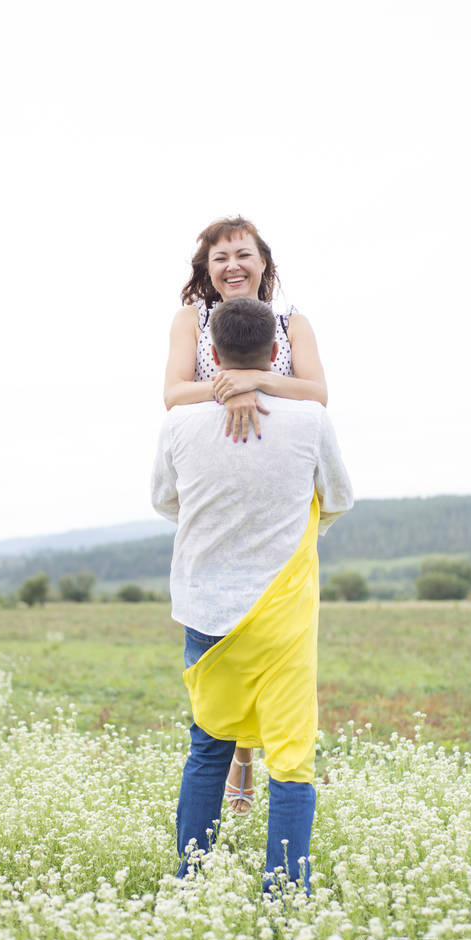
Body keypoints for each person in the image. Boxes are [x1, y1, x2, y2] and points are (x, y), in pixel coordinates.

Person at [152, 297, 353, 893]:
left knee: (208, 744)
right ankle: (286, 892)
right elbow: (337, 496)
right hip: (282, 612)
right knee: (290, 755)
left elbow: (166, 501)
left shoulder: (178, 423)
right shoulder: (311, 419)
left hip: (204, 605)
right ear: (274, 355)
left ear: (210, 356)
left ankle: (191, 880)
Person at [163, 215, 329, 814]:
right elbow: (173, 392)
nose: (231, 265)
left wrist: (245, 379)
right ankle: (243, 768)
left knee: (265, 642)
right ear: (205, 272)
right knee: (234, 641)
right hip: (220, 488)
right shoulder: (193, 322)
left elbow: (316, 391)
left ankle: (245, 768)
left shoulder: (292, 324)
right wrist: (224, 390)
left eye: (243, 254)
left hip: (275, 495)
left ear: (264, 262)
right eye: (218, 258)